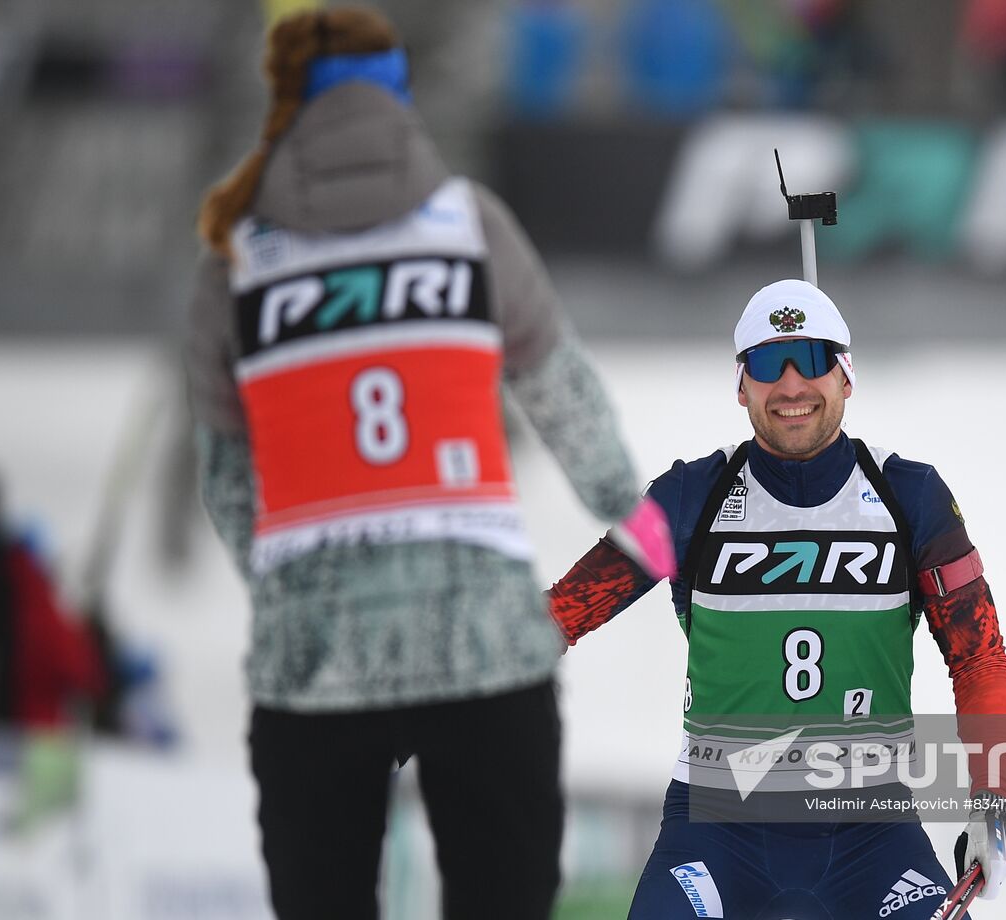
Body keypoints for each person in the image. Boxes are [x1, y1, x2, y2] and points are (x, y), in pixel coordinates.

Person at [182, 8, 674, 920]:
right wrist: (640, 520)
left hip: (314, 665)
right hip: (483, 647)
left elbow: (225, 477)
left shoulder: (236, 260)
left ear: (285, 103)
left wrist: (294, 590)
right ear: (399, 98)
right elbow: (563, 393)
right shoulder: (468, 222)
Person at [549, 279, 1006, 919]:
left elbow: (979, 659)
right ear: (742, 386)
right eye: (769, 364)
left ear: (847, 376)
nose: (793, 385)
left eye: (815, 360)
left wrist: (993, 804)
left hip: (869, 833)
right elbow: (565, 612)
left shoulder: (910, 496)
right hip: (717, 829)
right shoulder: (692, 497)